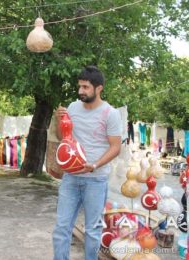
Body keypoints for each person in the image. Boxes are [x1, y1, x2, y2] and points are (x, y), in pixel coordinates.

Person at [52, 66, 122, 260]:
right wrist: (60, 121)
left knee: (92, 231)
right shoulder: (73, 107)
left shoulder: (110, 113)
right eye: (80, 87)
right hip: (71, 178)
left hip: (96, 180)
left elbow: (116, 147)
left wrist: (95, 165)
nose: (80, 91)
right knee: (61, 228)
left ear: (98, 88)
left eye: (85, 87)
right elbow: (63, 138)